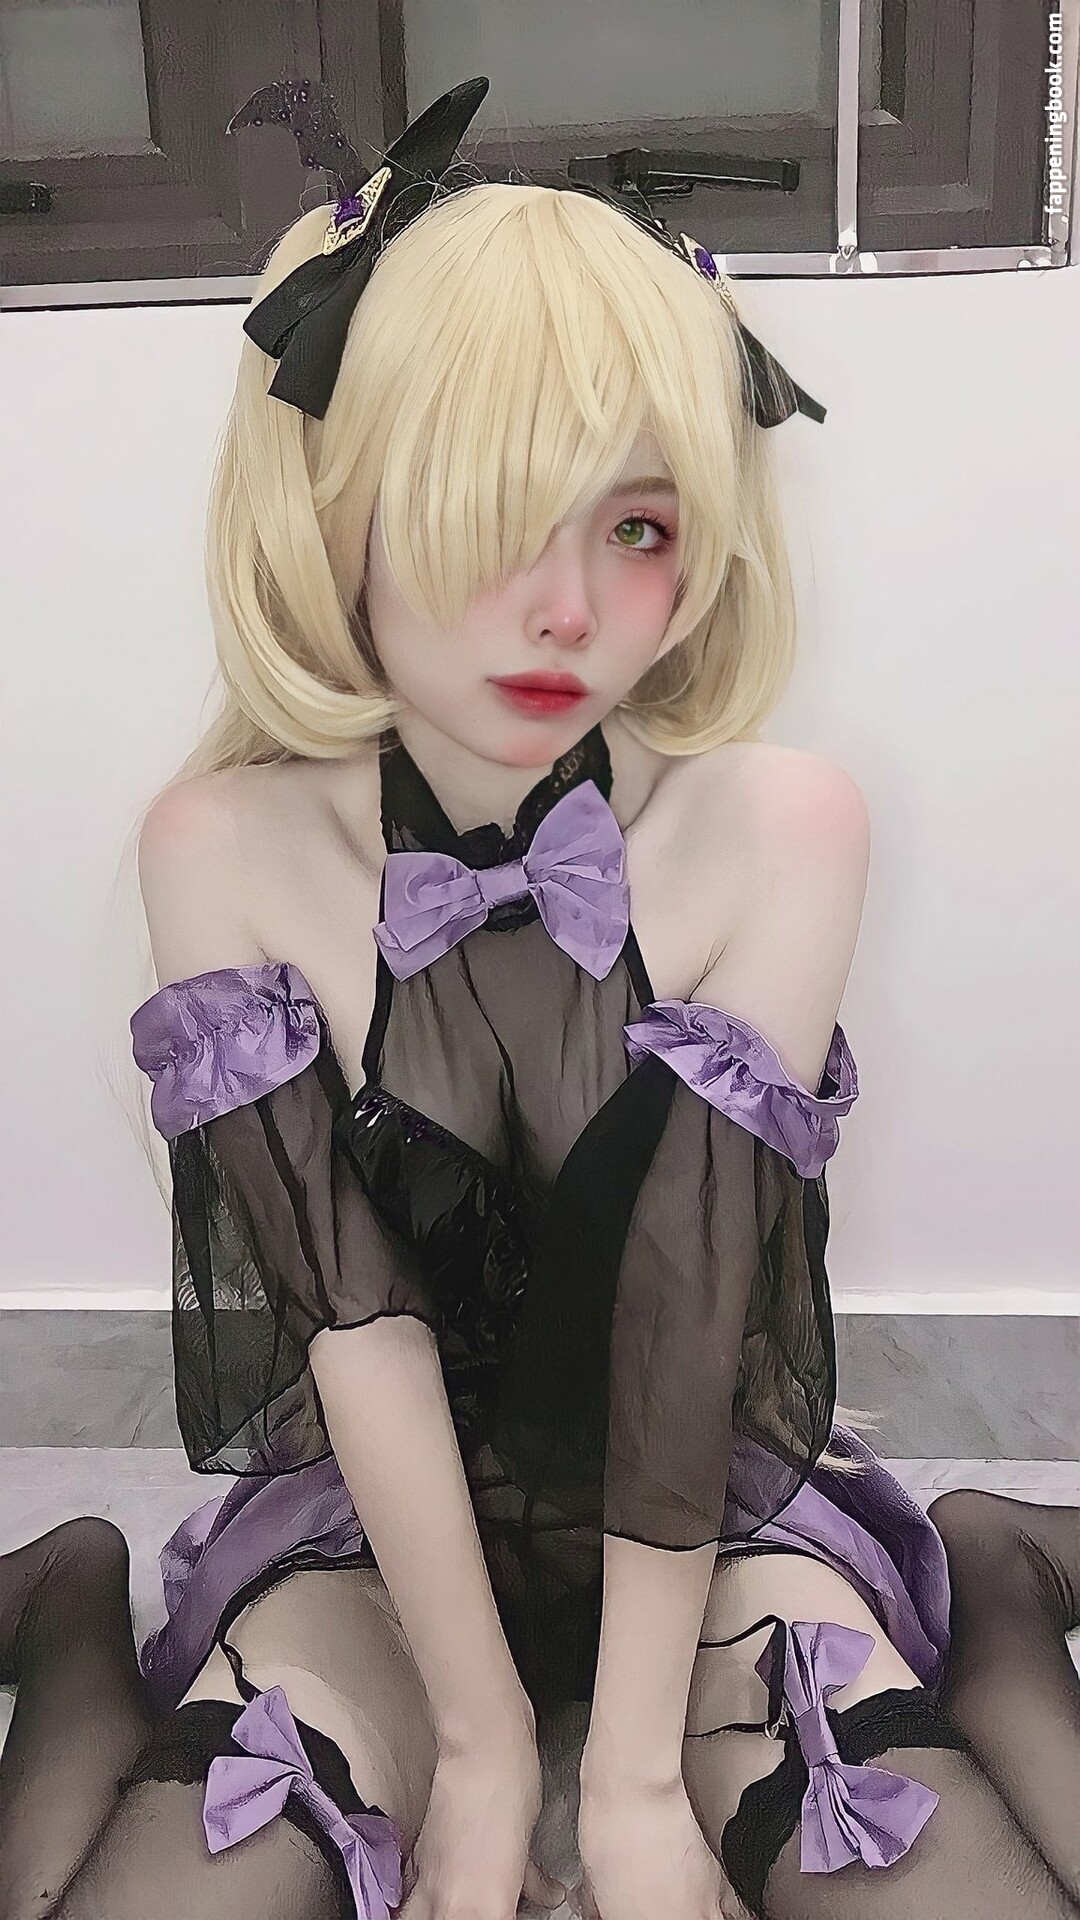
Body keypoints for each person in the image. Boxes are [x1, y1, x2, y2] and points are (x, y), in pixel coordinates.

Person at [2, 71, 1078, 1920]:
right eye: (481, 516)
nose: (568, 609)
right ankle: (71, 1595)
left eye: (637, 528)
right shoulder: (221, 846)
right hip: (380, 1521)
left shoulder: (781, 826)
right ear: (331, 512)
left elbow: (685, 1308)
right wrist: (487, 1744)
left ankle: (989, 1560)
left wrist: (640, 1775)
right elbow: (354, 1325)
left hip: (703, 1505)